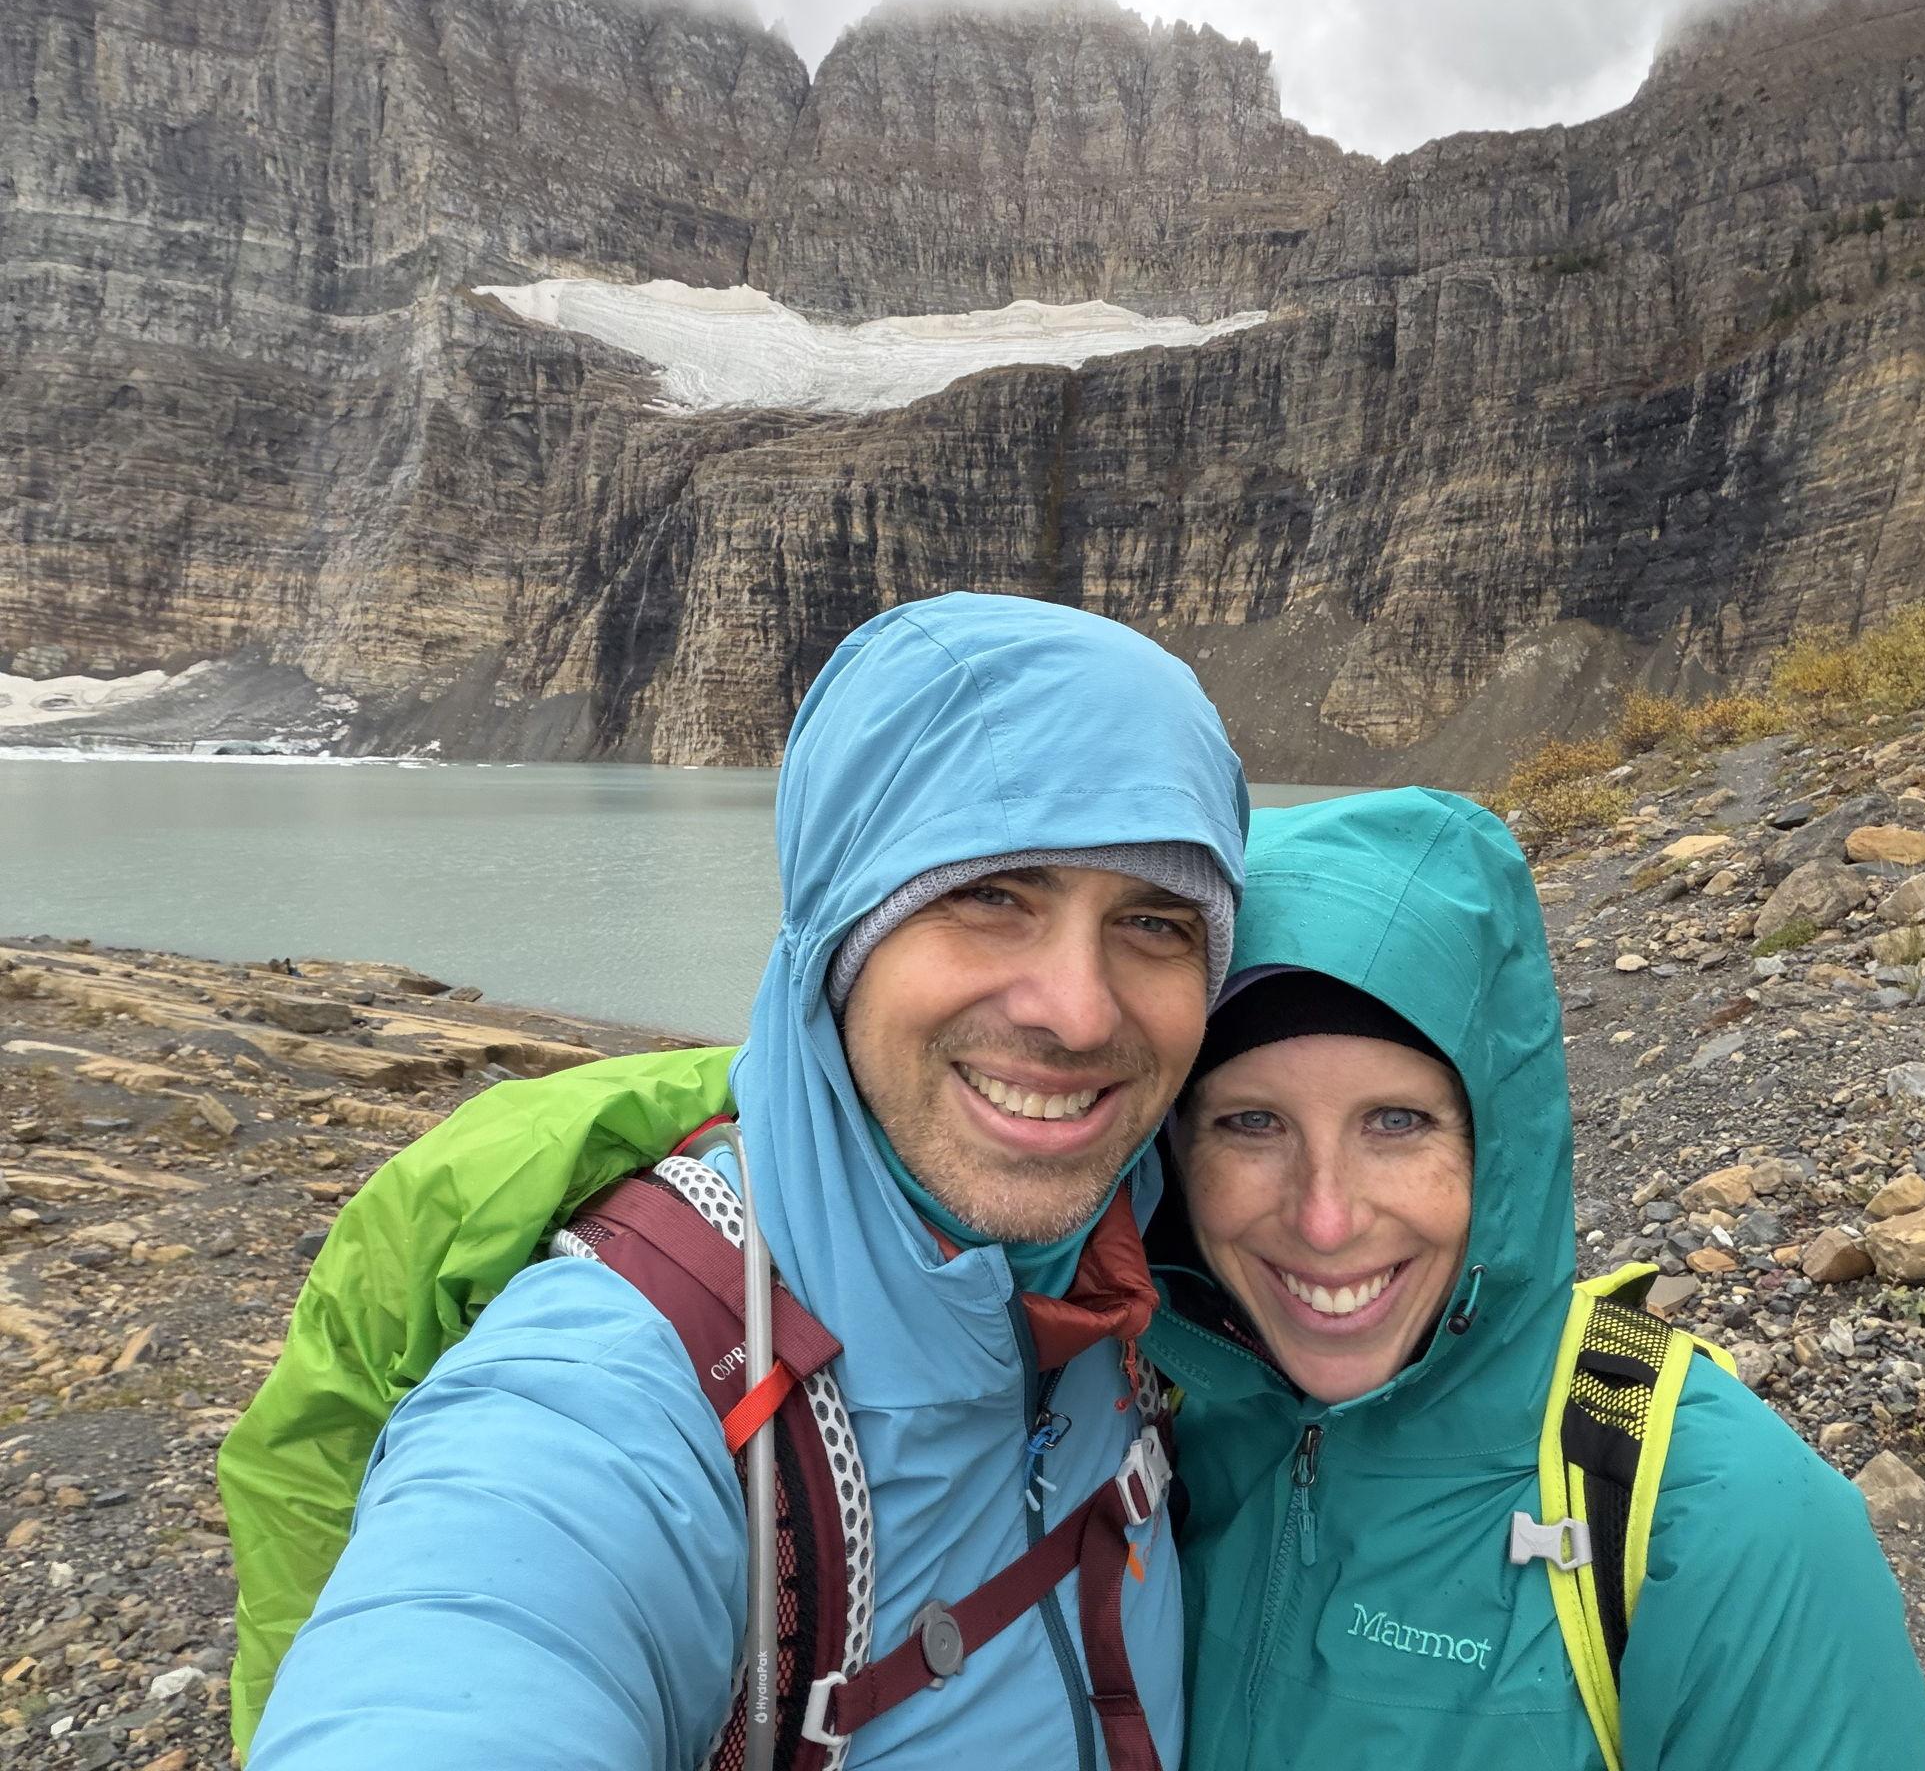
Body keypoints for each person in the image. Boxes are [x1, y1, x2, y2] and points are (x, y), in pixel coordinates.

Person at [248, 592, 1248, 1770]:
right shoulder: (620, 1378)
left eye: (1154, 921)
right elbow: (467, 1645)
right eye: (990, 895)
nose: (1077, 1010)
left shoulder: (1161, 1258)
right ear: (838, 930)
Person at [1143, 787, 1925, 1771]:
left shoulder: (1724, 1519)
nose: (1323, 1216)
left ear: (1498, 1140)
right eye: (1249, 1122)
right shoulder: (1149, 1418)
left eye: (1396, 1120)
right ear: (1171, 1149)